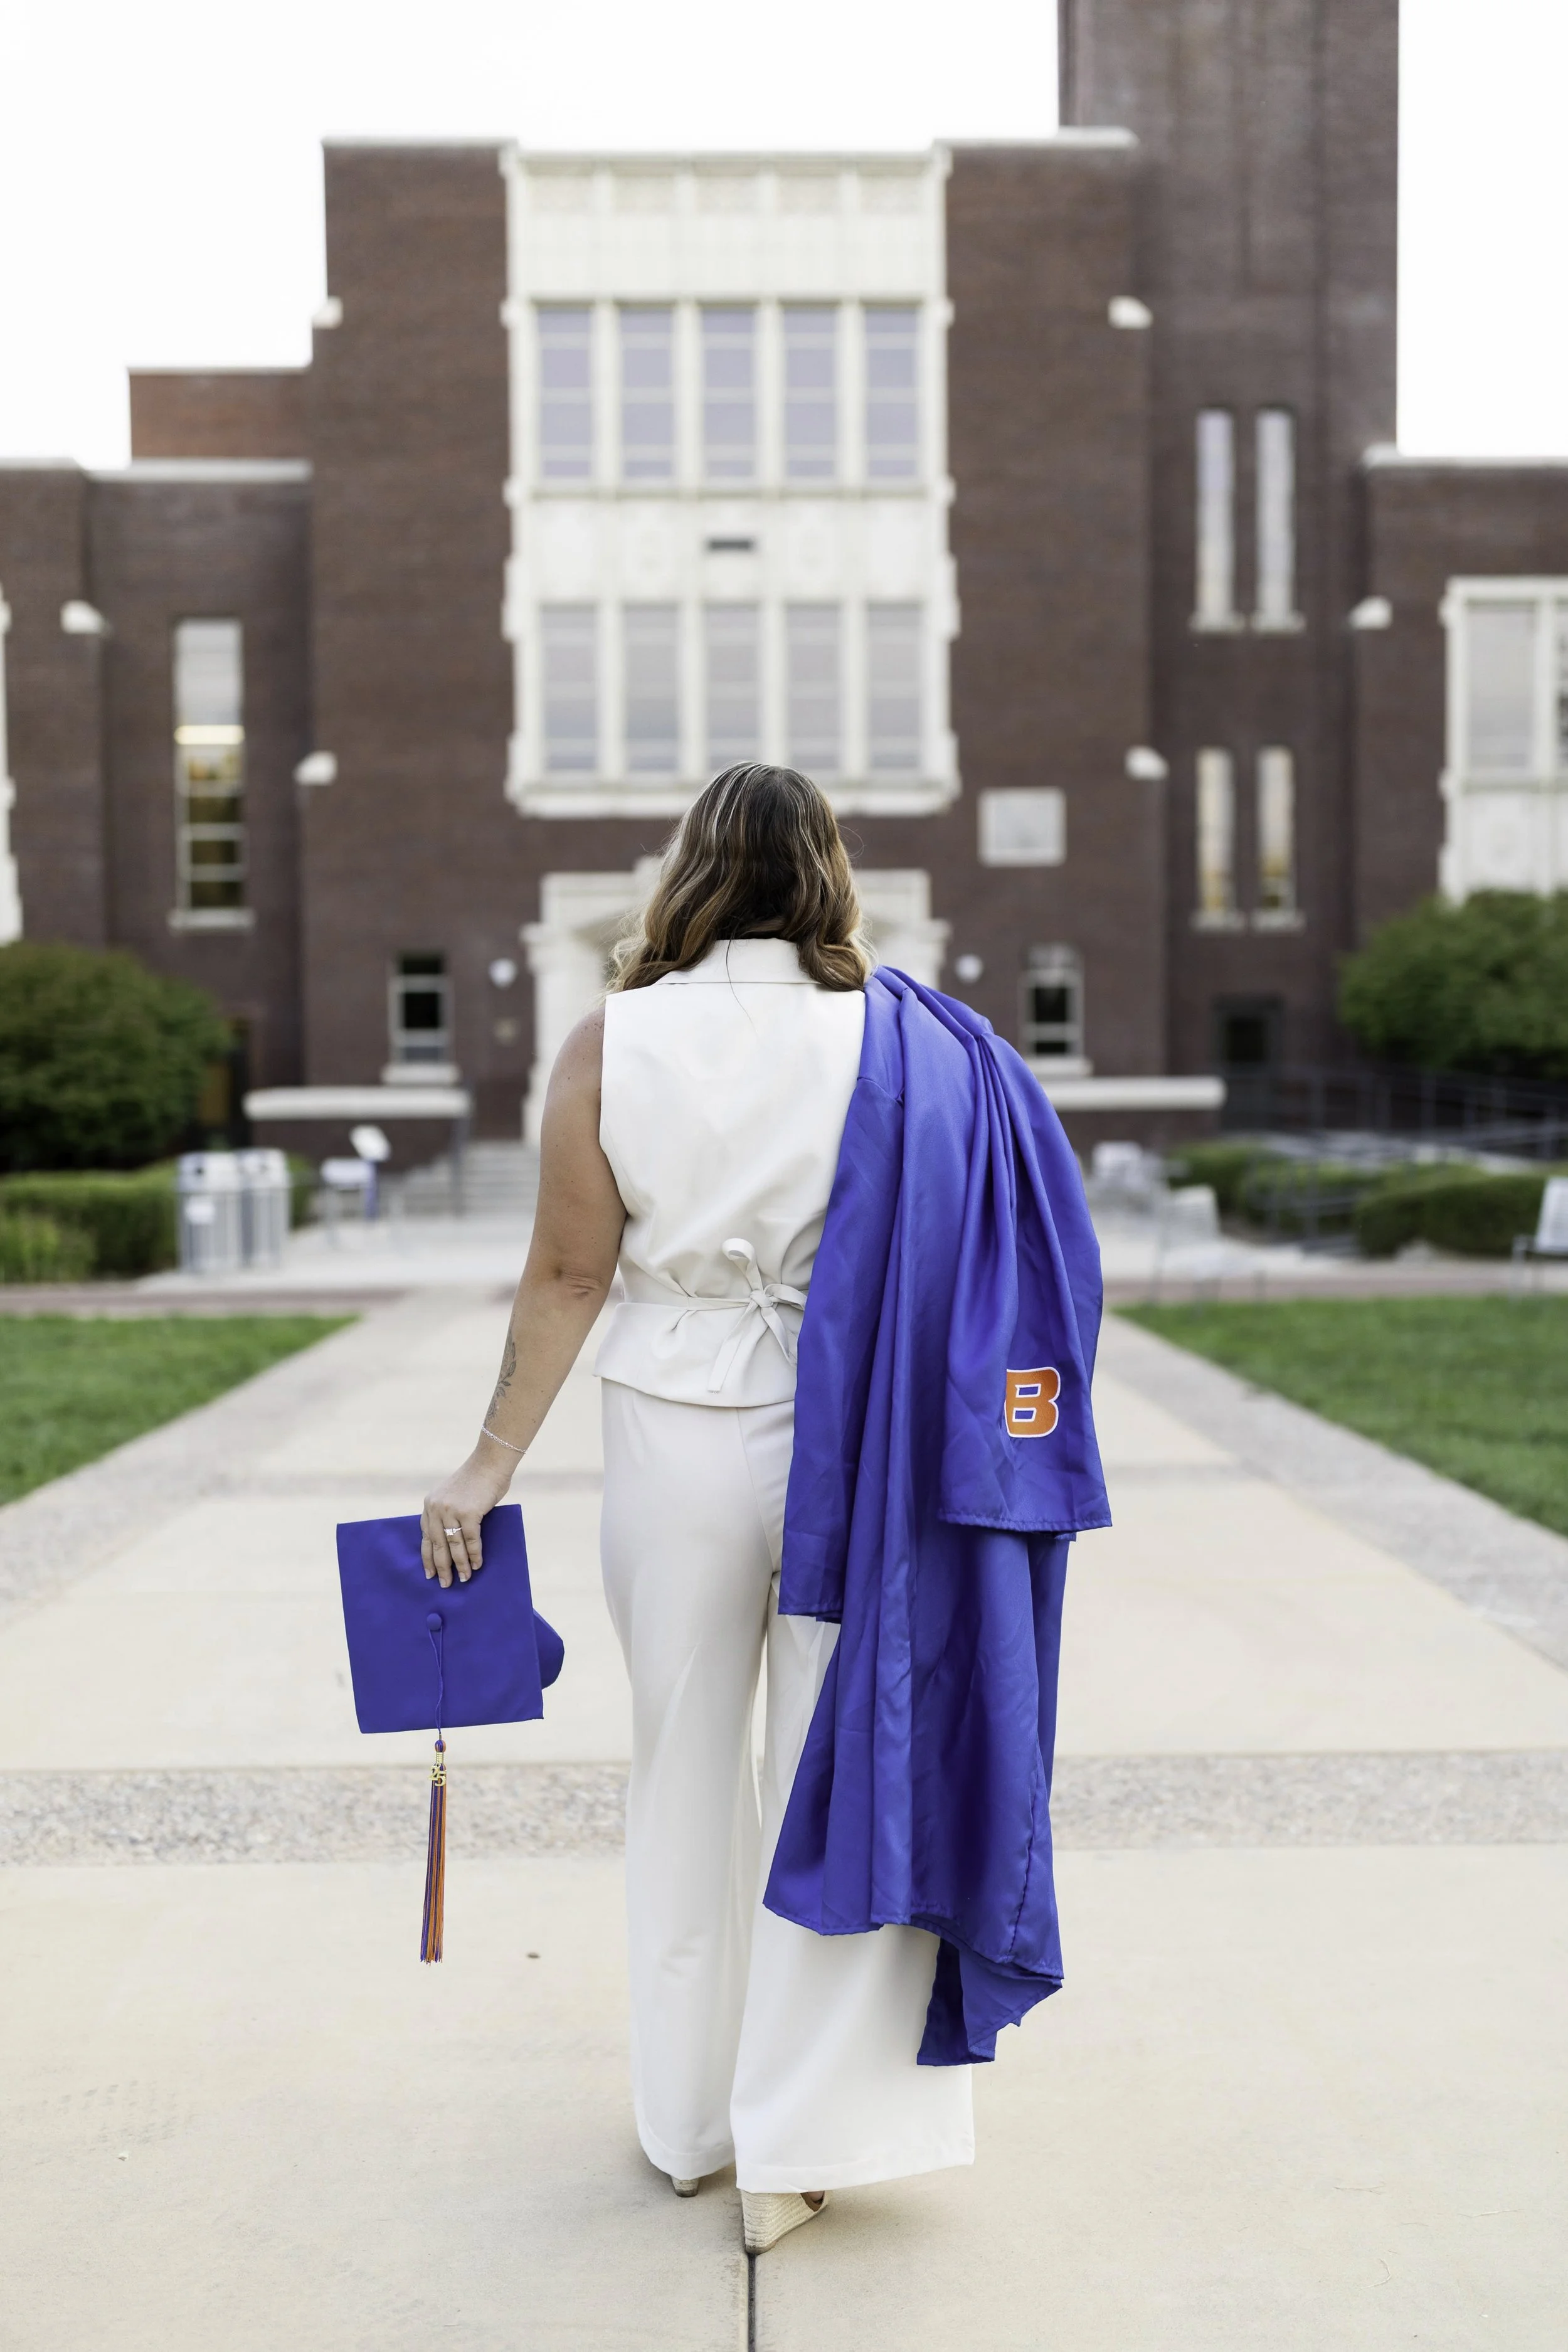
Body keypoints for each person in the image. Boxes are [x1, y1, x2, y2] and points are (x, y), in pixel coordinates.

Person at [422, 764, 975, 2255]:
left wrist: (487, 1462)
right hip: (844, 1435)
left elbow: (568, 1275)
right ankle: (800, 2143)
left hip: (671, 1423)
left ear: (689, 873)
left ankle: (689, 2129)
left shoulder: (614, 1037)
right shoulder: (900, 1039)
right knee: (828, 1771)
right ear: (827, 875)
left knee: (680, 1772)